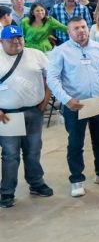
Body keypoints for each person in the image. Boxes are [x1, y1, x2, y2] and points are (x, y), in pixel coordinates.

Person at [47, 17, 99, 197]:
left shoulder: (98, 48)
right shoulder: (61, 51)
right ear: (69, 32)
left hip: (98, 103)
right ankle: (77, 180)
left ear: (88, 28)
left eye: (83, 27)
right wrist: (66, 99)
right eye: (75, 28)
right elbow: (52, 79)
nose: (80, 31)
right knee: (75, 143)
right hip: (75, 105)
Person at [0, 25, 53, 208]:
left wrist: (45, 101)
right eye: (11, 39)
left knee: (33, 151)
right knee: (10, 155)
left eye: (19, 38)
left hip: (33, 111)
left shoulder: (36, 54)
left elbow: (52, 77)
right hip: (8, 115)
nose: (16, 42)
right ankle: (6, 192)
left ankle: (36, 183)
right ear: (2, 41)